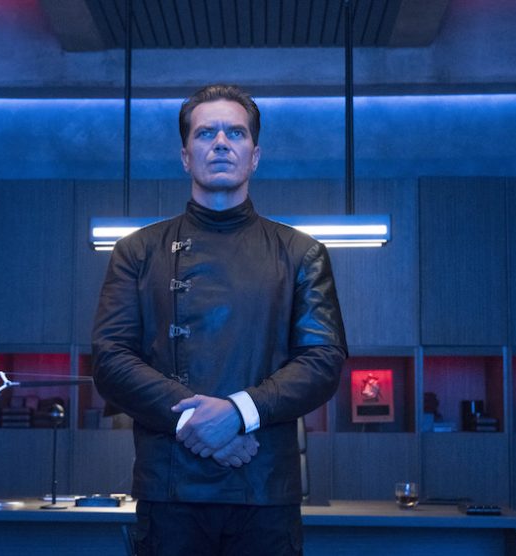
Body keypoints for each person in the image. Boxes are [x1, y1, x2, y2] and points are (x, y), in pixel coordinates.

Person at [92, 83, 347, 556]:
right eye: (206, 133)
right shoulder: (136, 251)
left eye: (236, 132)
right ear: (185, 157)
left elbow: (322, 361)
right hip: (170, 491)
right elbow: (110, 360)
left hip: (265, 490)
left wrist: (237, 413)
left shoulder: (301, 252)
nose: (222, 142)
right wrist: (199, 421)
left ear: (255, 156)